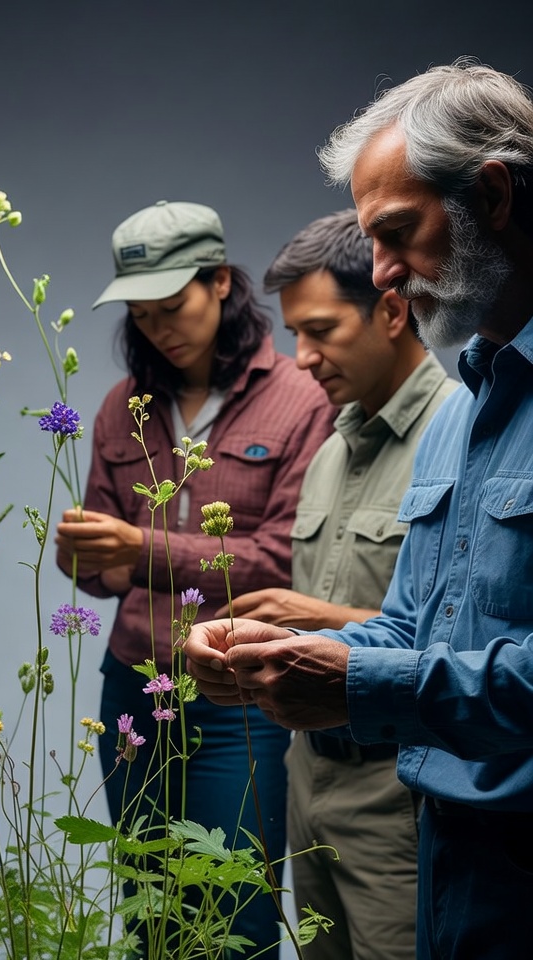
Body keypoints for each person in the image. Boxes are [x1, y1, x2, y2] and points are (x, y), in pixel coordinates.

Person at [183, 59, 533, 960]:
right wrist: (290, 656)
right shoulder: (466, 412)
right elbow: (416, 628)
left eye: (400, 233)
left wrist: (356, 681)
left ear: (492, 195)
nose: (384, 274)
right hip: (451, 853)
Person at [54, 199, 335, 957]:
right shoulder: (124, 406)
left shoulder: (300, 398)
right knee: (150, 907)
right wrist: (84, 557)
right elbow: (105, 574)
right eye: (141, 316)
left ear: (219, 283)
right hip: (134, 688)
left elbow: (282, 559)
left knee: (235, 916)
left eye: (172, 307)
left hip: (242, 695)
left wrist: (137, 547)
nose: (157, 329)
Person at [222, 209, 458, 959]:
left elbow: (476, 649)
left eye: (320, 330)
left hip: (401, 795)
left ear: (392, 311)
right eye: (294, 333)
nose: (300, 358)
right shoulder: (331, 447)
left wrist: (311, 616)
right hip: (308, 781)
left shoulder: (460, 434)